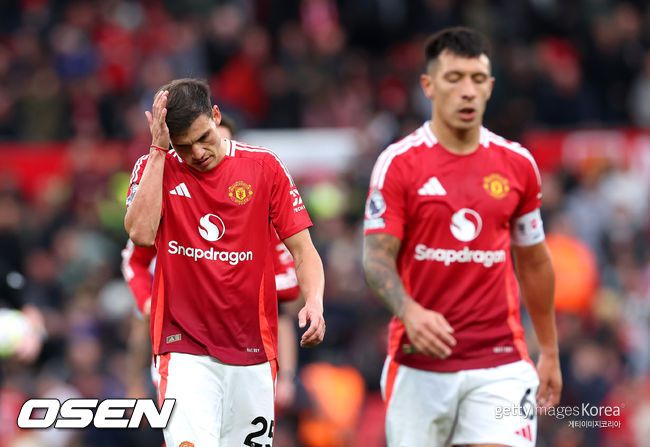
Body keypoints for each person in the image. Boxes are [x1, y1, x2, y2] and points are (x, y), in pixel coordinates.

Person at [362, 27, 561, 447]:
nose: (467, 91)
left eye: (477, 79)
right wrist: (409, 312)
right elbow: (377, 259)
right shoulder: (398, 164)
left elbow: (534, 261)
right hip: (420, 363)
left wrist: (549, 349)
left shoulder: (517, 165)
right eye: (454, 78)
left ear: (490, 87)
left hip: (500, 361)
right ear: (428, 86)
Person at [124, 78, 325, 446]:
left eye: (204, 137)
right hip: (184, 349)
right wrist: (158, 151)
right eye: (184, 146)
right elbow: (140, 234)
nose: (198, 152)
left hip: (253, 350)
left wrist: (314, 300)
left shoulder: (264, 167)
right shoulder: (156, 166)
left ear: (216, 116)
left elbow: (303, 249)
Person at [121, 115, 301, 410]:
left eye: (216, 142)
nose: (203, 153)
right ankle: (135, 382)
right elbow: (135, 258)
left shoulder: (258, 206)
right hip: (181, 334)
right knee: (147, 315)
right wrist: (147, 303)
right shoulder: (171, 192)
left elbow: (291, 285)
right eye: (192, 145)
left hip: (244, 338)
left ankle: (283, 378)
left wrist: (236, 282)